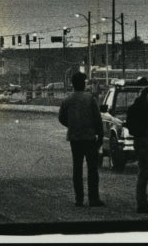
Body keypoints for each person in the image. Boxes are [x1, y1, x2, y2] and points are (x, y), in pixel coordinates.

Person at [58, 72, 105, 208]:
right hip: (89, 138)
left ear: (72, 84)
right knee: (92, 169)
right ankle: (93, 198)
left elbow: (61, 117)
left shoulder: (67, 100)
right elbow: (97, 119)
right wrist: (100, 135)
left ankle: (79, 199)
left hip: (75, 138)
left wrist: (71, 125)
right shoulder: (90, 99)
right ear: (83, 83)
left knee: (77, 169)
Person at [126, 85, 148, 214]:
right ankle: (142, 202)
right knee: (144, 172)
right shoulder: (147, 110)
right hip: (145, 140)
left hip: (140, 139)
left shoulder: (134, 108)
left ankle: (142, 201)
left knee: (144, 171)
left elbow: (130, 125)